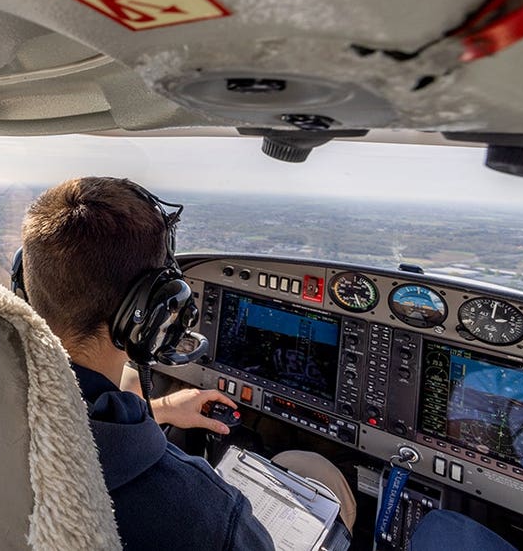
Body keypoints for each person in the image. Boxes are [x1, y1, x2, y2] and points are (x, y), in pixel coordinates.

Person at [19, 177, 353, 549]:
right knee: (316, 472)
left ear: (25, 280)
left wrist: (159, 408)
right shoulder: (209, 516)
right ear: (144, 317)